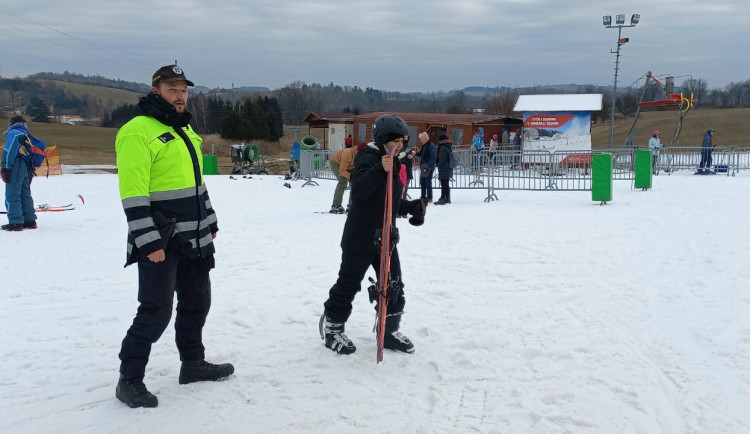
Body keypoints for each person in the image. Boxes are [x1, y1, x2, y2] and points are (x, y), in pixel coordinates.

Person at [114, 65, 234, 408]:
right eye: (172, 88)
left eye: (183, 89)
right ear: (156, 90)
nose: (180, 95)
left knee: (198, 302)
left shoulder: (184, 129)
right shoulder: (137, 131)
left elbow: (197, 184)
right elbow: (133, 194)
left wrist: (209, 219)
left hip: (194, 234)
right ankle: (130, 378)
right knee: (156, 310)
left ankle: (192, 363)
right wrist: (147, 242)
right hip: (161, 238)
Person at [319, 114, 427, 355]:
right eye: (394, 141)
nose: (399, 145)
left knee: (393, 284)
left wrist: (413, 208)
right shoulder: (369, 156)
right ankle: (332, 327)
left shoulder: (394, 160)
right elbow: (359, 189)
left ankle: (388, 331)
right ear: (382, 139)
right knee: (349, 284)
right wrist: (380, 168)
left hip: (385, 237)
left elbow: (390, 202)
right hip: (360, 236)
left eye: (402, 141)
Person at [2, 115, 43, 231]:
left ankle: (15, 222)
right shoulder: (26, 135)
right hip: (26, 167)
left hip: (16, 165)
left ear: (12, 123)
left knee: (12, 193)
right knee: (25, 193)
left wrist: (5, 167)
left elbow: (9, 151)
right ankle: (30, 220)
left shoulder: (14, 133)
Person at [329, 144, 359, 213]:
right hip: (336, 163)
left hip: (350, 166)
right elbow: (342, 171)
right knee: (343, 182)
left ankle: (351, 205)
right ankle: (336, 205)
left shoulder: (362, 155)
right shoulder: (347, 154)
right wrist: (351, 176)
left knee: (354, 183)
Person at [435, 134, 454, 205]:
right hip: (448, 167)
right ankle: (447, 198)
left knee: (444, 184)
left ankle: (443, 198)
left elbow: (442, 158)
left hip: (444, 168)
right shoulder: (449, 146)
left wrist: (438, 165)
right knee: (446, 183)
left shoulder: (443, 147)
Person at [417, 131, 436, 203]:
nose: (420, 140)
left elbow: (432, 158)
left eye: (421, 139)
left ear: (424, 139)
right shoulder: (424, 146)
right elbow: (422, 154)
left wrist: (428, 165)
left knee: (428, 182)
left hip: (428, 167)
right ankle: (423, 196)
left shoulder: (431, 146)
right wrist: (416, 154)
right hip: (424, 166)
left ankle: (429, 197)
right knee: (422, 181)